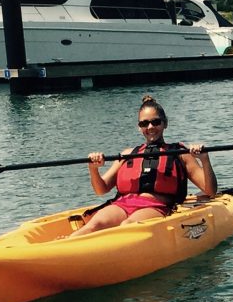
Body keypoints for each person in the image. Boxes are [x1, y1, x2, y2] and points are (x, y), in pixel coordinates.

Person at [67, 94, 217, 237]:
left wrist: (204, 159)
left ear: (165, 123)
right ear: (139, 127)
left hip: (155, 206)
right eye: (144, 123)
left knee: (128, 225)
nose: (150, 127)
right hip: (123, 204)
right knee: (94, 225)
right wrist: (93, 168)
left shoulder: (180, 153)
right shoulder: (128, 154)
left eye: (156, 122)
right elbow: (101, 189)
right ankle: (64, 247)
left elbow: (210, 190)